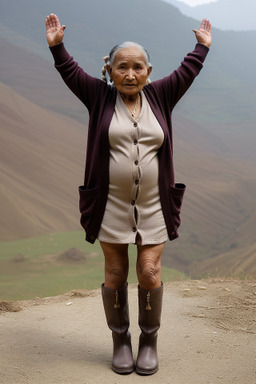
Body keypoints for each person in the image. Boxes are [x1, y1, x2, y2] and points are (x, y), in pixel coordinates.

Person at [45, 13, 211, 375]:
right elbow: (71, 74)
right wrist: (57, 47)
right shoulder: (98, 97)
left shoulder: (161, 95)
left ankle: (148, 341)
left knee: (149, 271)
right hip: (110, 205)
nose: (131, 74)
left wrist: (201, 47)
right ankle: (120, 341)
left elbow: (187, 72)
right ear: (111, 71)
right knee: (116, 271)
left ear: (149, 71)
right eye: (123, 67)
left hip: (154, 204)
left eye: (138, 67)